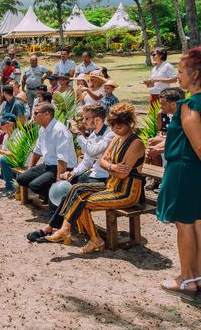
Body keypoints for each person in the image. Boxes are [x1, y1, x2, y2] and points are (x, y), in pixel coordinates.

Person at [45, 104, 145, 253]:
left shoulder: (135, 143)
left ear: (129, 123)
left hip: (127, 192)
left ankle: (85, 235)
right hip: (112, 185)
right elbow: (103, 162)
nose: (114, 129)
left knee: (81, 201)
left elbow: (122, 174)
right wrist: (112, 167)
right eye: (112, 126)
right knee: (77, 189)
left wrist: (109, 166)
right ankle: (83, 234)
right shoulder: (117, 138)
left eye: (118, 126)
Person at [27, 104, 115, 241]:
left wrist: (78, 133)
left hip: (106, 178)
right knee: (58, 187)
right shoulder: (93, 135)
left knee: (71, 192)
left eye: (86, 118)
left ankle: (54, 228)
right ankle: (55, 227)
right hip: (92, 175)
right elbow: (86, 161)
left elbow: (93, 151)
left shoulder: (110, 134)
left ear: (97, 120)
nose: (83, 122)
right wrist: (73, 173)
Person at [157, 48, 201, 298]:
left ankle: (186, 279)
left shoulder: (189, 104)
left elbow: (198, 144)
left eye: (182, 71)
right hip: (194, 170)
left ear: (195, 75)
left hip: (185, 171)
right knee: (198, 224)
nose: (178, 76)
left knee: (184, 225)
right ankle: (197, 276)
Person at [17, 103, 77, 205]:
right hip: (48, 165)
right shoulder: (42, 128)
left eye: (36, 113)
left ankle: (59, 197)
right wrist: (30, 168)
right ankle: (50, 196)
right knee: (22, 179)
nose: (33, 116)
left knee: (35, 185)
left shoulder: (60, 130)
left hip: (63, 167)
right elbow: (37, 150)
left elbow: (62, 158)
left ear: (47, 114)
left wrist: (59, 181)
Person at [145, 88, 186, 173]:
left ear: (174, 105)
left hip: (184, 158)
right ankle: (154, 175)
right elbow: (171, 138)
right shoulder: (174, 116)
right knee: (151, 145)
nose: (160, 106)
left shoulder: (184, 119)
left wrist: (159, 150)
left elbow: (182, 143)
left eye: (163, 104)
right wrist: (155, 148)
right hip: (174, 146)